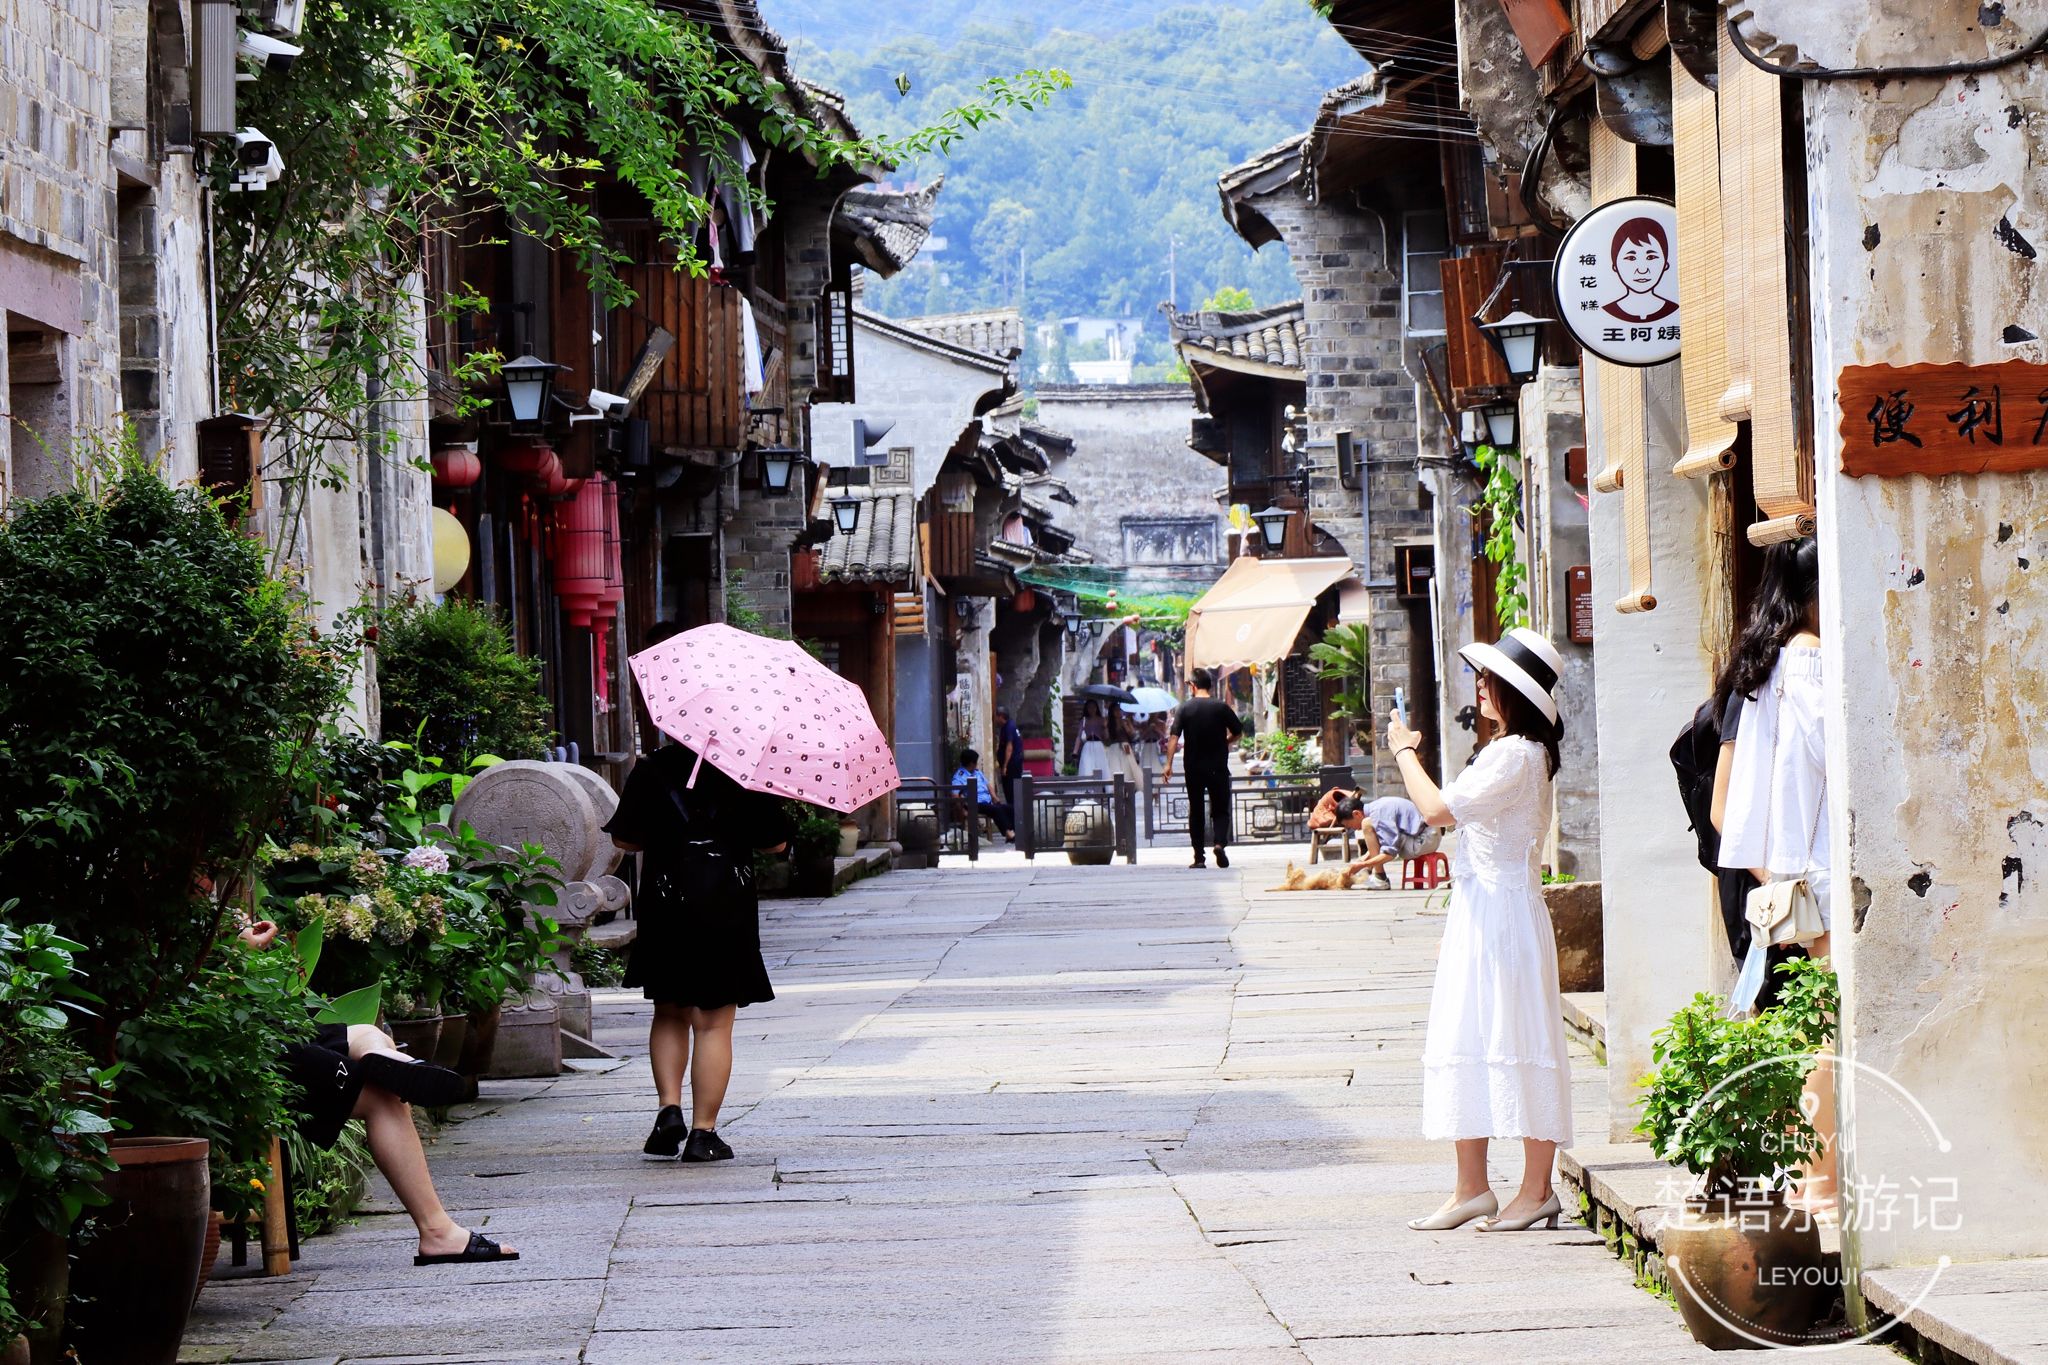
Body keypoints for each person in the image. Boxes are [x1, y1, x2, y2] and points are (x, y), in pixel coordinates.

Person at [1387, 626, 1573, 1233]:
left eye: (1490, 680)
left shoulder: (1518, 754)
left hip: (1505, 914)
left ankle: (1536, 1188)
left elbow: (1437, 811)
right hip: (1483, 911)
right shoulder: (1509, 752)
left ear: (1514, 693)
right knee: (1468, 1034)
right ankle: (1471, 1187)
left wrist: (1403, 753)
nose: (1481, 687)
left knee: (1516, 1038)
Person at [242, 920, 518, 1266]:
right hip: (243, 1053)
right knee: (382, 1097)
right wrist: (241, 951)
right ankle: (437, 1232)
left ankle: (384, 1056)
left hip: (259, 1032)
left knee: (363, 1035)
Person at [604, 713, 794, 1164]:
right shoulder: (747, 770)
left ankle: (668, 1109)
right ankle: (703, 1133)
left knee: (669, 1010)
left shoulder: (652, 768)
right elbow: (775, 845)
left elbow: (627, 841)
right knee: (712, 1022)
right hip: (725, 904)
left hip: (667, 900)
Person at [1711, 537, 1834, 1205]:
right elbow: (1834, 759)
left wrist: (1774, 875)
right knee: (1829, 1033)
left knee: (1811, 1026)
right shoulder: (1811, 661)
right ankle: (1821, 1187)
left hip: (1789, 874)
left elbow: (1735, 803)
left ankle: (1804, 1182)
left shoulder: (1765, 666)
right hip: (1825, 872)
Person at [1164, 668, 1243, 870]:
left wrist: (1168, 764)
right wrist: (1225, 742)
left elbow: (1173, 738)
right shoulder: (1221, 707)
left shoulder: (1185, 708)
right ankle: (1219, 843)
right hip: (1218, 766)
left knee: (1196, 810)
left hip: (1194, 767)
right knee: (1220, 809)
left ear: (1192, 685)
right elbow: (1238, 732)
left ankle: (1199, 857)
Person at [1346, 795, 1443, 891]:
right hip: (1429, 836)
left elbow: (1389, 853)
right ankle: (1376, 875)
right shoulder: (1378, 806)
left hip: (1424, 839)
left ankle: (1380, 879)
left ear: (1356, 814)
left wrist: (1362, 865)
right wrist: (1361, 861)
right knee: (1378, 832)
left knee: (1367, 824)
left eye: (1349, 825)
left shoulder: (1378, 813)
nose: (1352, 828)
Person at [950, 747, 1016, 842]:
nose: (977, 764)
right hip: (975, 803)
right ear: (971, 763)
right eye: (976, 762)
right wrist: (962, 809)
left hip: (987, 801)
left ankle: (1013, 831)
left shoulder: (977, 773)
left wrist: (994, 797)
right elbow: (955, 795)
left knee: (1010, 808)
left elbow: (988, 785)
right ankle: (1008, 834)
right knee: (996, 810)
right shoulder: (959, 777)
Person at [994, 706, 1024, 809]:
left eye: (996, 717)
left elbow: (1009, 747)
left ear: (1001, 716)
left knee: (1011, 790)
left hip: (1012, 766)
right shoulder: (1007, 726)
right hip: (1012, 764)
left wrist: (1005, 766)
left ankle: (1014, 814)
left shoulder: (1009, 727)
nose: (995, 719)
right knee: (1009, 790)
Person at [1073, 700, 1111, 780]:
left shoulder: (1102, 720)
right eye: (1089, 707)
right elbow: (1079, 736)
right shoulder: (1083, 720)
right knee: (1087, 766)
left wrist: (1105, 727)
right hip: (1087, 746)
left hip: (1099, 746)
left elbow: (1106, 737)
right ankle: (1088, 789)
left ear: (1097, 708)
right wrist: (1075, 751)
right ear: (1086, 709)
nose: (1092, 709)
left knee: (1101, 766)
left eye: (1094, 707)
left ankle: (1103, 787)